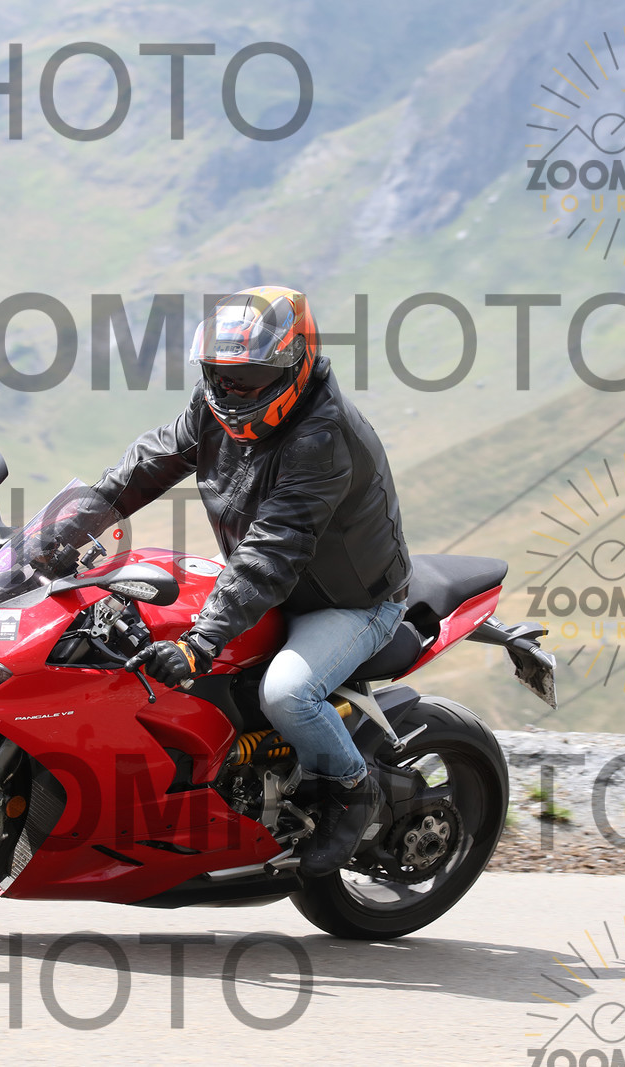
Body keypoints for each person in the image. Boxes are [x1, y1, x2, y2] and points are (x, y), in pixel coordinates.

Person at [96, 285, 411, 877]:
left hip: (348, 602)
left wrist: (200, 644)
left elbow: (275, 546)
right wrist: (66, 527)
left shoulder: (322, 436)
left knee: (286, 693)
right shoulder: (213, 404)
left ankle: (352, 790)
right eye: (222, 375)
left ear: (295, 365)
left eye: (251, 378)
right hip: (271, 584)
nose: (233, 391)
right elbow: (147, 464)